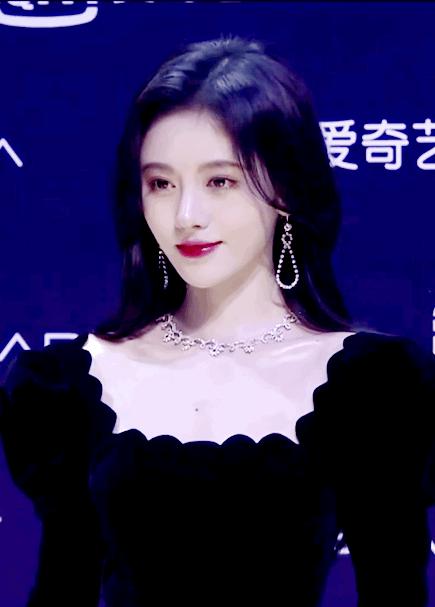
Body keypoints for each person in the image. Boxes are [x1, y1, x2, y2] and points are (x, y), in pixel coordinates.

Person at [1, 34, 435, 607]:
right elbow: (61, 589)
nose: (186, 216)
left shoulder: (376, 385)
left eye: (220, 181)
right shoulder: (65, 386)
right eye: (161, 184)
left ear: (285, 187)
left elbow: (396, 591)